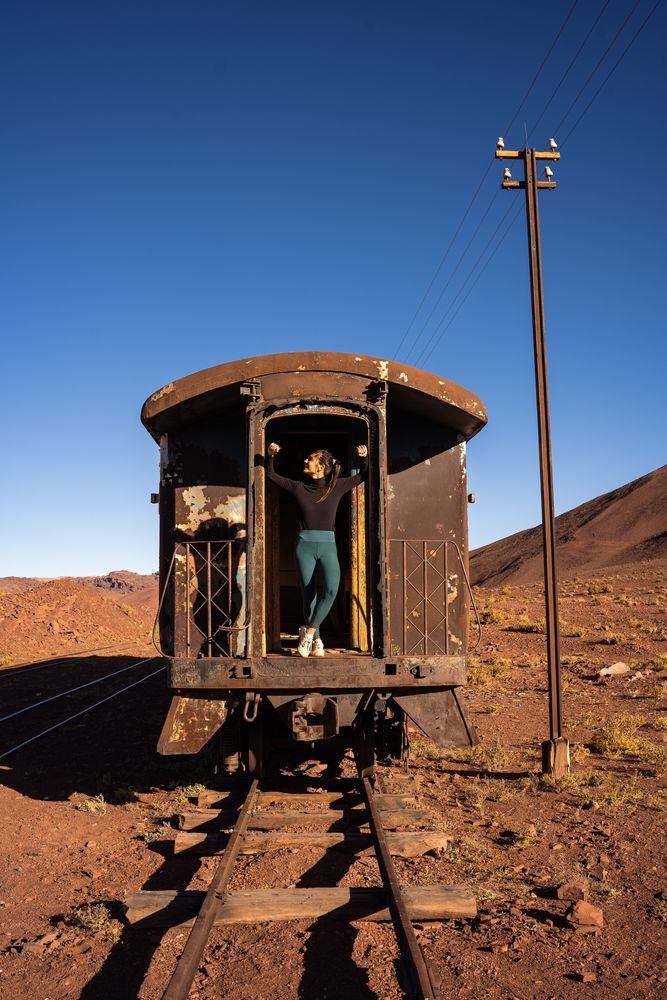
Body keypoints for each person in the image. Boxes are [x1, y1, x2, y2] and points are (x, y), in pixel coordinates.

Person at [266, 441, 368, 657]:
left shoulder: (337, 486)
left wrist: (364, 458)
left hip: (328, 546)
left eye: (310, 459)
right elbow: (271, 476)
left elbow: (364, 476)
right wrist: (271, 457)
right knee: (308, 594)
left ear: (321, 466)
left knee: (331, 589)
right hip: (304, 545)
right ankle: (317, 641)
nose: (305, 460)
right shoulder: (298, 487)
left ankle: (309, 632)